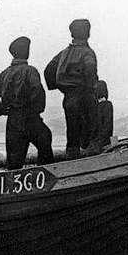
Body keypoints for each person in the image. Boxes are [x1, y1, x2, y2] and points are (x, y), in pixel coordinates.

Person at [0, 36, 54, 170]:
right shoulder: (30, 71)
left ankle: (14, 186)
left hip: (13, 120)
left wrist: (2, 110)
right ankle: (45, 177)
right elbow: (37, 90)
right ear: (26, 52)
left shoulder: (5, 73)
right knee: (45, 140)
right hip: (29, 116)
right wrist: (36, 111)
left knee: (14, 160)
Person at [44, 19, 102, 159]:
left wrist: (61, 87)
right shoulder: (88, 52)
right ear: (87, 33)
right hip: (85, 95)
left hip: (69, 98)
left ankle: (72, 160)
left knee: (73, 132)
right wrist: (92, 88)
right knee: (92, 131)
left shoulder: (63, 53)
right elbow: (90, 71)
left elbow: (48, 71)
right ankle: (92, 161)